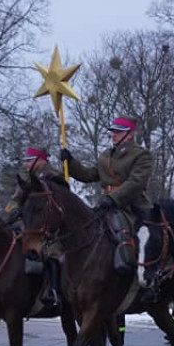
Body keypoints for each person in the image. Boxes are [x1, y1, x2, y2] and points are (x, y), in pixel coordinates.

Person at [61, 116, 153, 273]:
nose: (113, 135)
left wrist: (113, 198)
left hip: (132, 205)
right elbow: (88, 175)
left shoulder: (141, 155)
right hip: (106, 204)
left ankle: (137, 271)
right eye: (113, 131)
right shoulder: (106, 156)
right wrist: (71, 162)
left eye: (118, 132)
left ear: (129, 134)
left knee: (142, 239)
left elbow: (136, 183)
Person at [6, 145, 62, 306]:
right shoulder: (27, 179)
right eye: (26, 161)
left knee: (51, 252)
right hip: (28, 223)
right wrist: (13, 211)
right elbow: (15, 199)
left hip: (48, 226)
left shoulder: (54, 177)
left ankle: (53, 289)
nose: (26, 164)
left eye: (30, 161)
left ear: (41, 160)